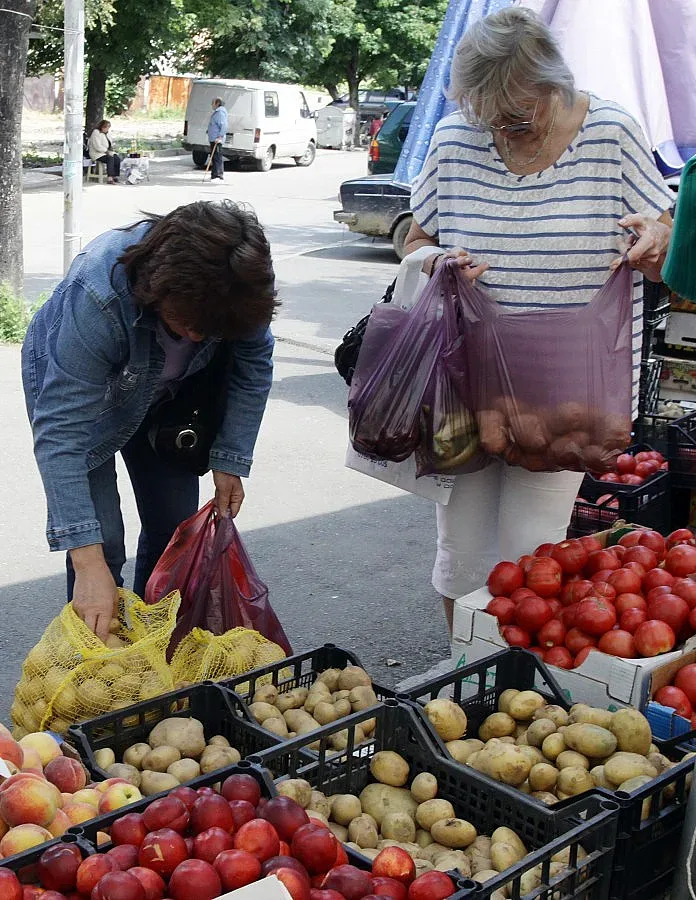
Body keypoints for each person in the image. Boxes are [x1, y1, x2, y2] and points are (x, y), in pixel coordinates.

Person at [404, 7, 673, 634]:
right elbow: (414, 238)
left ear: (555, 84)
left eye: (518, 114)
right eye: (488, 114)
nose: (503, 128)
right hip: (466, 384)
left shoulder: (612, 134)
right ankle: (463, 673)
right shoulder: (454, 138)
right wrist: (436, 260)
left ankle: (516, 685)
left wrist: (656, 240)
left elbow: (663, 252)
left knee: (530, 559)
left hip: (565, 394)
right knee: (461, 552)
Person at [21, 200, 277, 642]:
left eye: (211, 331)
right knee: (103, 541)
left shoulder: (236, 289)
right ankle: (96, 663)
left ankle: (151, 649)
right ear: (158, 288)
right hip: (82, 398)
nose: (198, 336)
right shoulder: (99, 295)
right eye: (189, 324)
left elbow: (254, 362)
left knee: (173, 527)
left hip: (167, 399)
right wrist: (87, 562)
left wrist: (230, 458)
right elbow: (61, 432)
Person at [88, 120, 121, 184]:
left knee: (117, 158)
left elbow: (109, 143)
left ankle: (114, 176)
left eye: (108, 127)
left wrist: (111, 149)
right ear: (102, 127)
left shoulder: (107, 134)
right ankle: (109, 178)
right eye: (106, 127)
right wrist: (106, 151)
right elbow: (97, 146)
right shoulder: (96, 132)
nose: (107, 129)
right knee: (110, 158)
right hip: (97, 153)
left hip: (105, 152)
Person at [207, 98, 228, 181]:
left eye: (213, 103)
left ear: (217, 103)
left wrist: (220, 136)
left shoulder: (220, 113)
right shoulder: (217, 112)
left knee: (217, 157)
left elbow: (224, 126)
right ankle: (214, 175)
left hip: (217, 139)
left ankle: (218, 175)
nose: (212, 105)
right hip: (213, 138)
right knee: (214, 157)